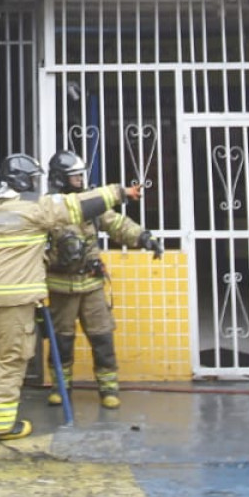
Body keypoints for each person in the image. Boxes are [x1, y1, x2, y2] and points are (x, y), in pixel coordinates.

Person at [0, 153, 138, 442]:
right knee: (10, 359)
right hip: (16, 302)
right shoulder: (35, 213)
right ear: (21, 181)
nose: (33, 184)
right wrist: (120, 192)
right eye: (30, 179)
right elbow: (76, 206)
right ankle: (1, 425)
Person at [42, 149, 163, 410]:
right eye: (74, 176)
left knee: (102, 337)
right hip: (61, 287)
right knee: (61, 341)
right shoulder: (49, 209)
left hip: (92, 286)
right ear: (61, 178)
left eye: (80, 176)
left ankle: (108, 388)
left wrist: (144, 238)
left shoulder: (91, 205)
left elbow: (117, 224)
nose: (80, 180)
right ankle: (60, 387)